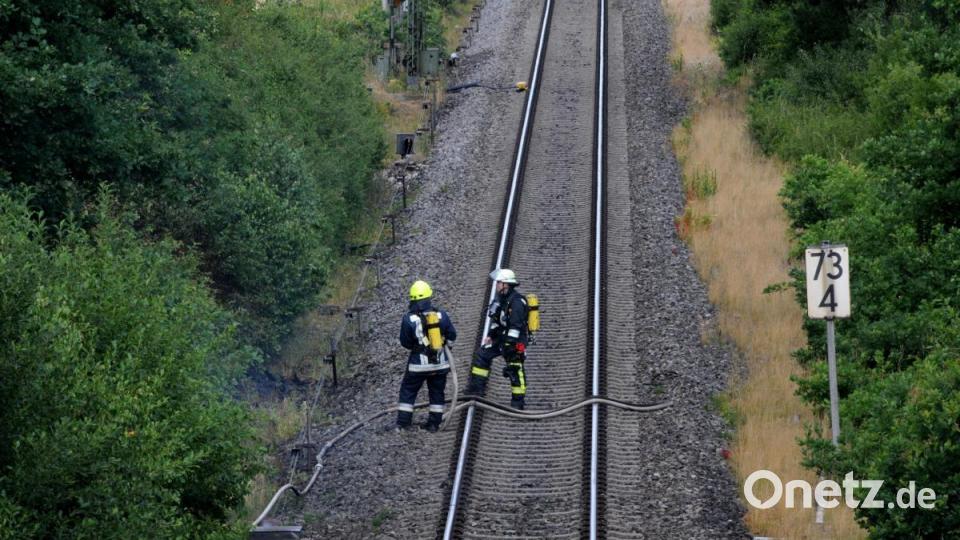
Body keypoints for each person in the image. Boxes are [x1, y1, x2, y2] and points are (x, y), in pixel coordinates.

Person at [396, 280, 457, 432]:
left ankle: (403, 424)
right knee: (437, 393)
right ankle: (434, 424)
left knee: (408, 391)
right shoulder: (441, 314)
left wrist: (417, 347)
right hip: (440, 364)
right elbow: (452, 335)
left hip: (417, 366)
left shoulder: (408, 318)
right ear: (429, 297)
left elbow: (405, 342)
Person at [465, 268, 529, 409]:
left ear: (506, 284)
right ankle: (476, 390)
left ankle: (517, 402)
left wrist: (510, 345)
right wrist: (490, 335)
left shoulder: (517, 302)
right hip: (501, 337)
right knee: (482, 355)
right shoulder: (501, 299)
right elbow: (497, 320)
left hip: (515, 340)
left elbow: (516, 326)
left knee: (514, 368)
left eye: (499, 282)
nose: (497, 285)